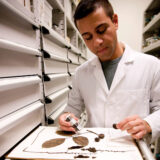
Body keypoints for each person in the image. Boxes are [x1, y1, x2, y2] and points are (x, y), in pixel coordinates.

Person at [58, 0, 160, 142]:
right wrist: (66, 118)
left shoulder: (151, 65)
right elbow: (72, 109)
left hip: (132, 150)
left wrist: (148, 124)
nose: (96, 42)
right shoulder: (81, 73)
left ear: (115, 21)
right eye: (88, 37)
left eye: (101, 30)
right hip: (94, 149)